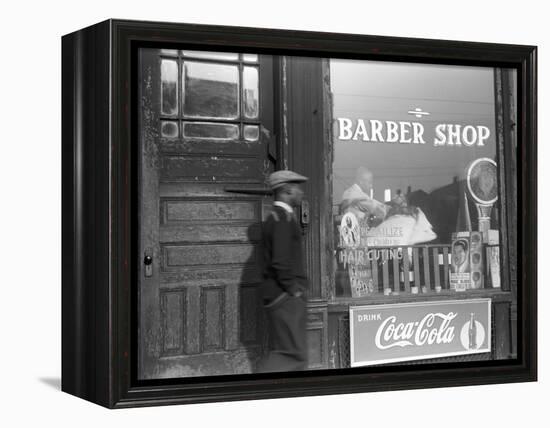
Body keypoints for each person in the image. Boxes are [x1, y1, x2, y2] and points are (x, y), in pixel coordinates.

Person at [257, 169, 309, 373]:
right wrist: (293, 290)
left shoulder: (278, 217)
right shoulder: (281, 219)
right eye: (298, 188)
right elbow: (280, 261)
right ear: (287, 190)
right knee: (292, 355)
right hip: (284, 296)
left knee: (291, 352)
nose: (301, 193)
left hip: (281, 295)